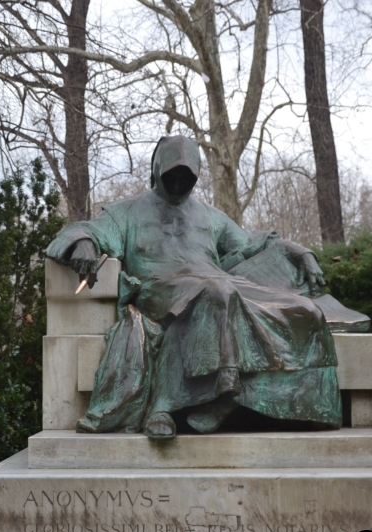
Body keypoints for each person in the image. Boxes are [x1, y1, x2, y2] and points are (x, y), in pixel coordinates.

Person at [46, 136, 341, 439]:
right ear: (156, 170)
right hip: (159, 287)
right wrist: (82, 244)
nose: (177, 184)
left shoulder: (210, 215)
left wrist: (302, 253)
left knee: (307, 310)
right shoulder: (126, 211)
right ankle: (218, 393)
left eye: (185, 178)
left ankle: (307, 406)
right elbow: (83, 229)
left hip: (218, 283)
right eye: (170, 176)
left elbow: (254, 241)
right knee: (216, 293)